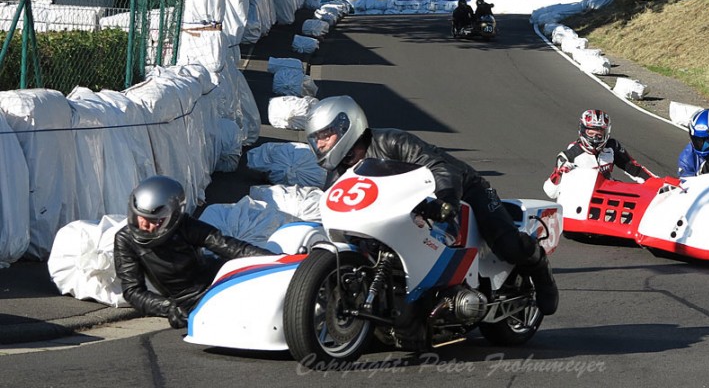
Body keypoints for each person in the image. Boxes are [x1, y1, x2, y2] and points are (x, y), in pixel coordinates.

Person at [305, 96, 558, 315]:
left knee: (507, 245)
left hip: (462, 189)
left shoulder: (392, 141)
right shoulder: (340, 171)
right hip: (413, 206)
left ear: (346, 126)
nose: (321, 144)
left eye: (326, 136)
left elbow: (440, 168)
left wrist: (445, 201)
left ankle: (539, 269)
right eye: (317, 139)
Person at [114, 176, 275, 329]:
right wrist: (169, 308)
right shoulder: (125, 239)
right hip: (187, 302)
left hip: (218, 281)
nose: (144, 225)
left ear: (172, 216)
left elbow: (226, 245)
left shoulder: (184, 225)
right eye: (140, 217)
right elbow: (132, 291)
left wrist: (274, 261)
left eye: (154, 220)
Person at [548, 110, 654, 187]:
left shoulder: (612, 146)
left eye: (599, 133)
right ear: (583, 131)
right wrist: (559, 174)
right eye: (591, 132)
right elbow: (551, 191)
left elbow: (635, 169)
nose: (595, 137)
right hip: (581, 201)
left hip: (607, 193)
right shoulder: (568, 155)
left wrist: (657, 183)